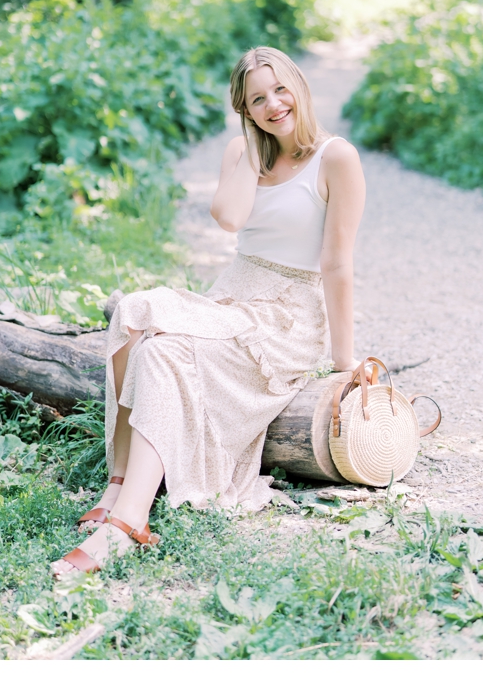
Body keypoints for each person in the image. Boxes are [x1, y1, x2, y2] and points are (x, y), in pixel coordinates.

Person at [53, 46, 367, 580]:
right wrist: (250, 145)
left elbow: (337, 265)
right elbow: (229, 218)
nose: (274, 106)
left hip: (286, 315)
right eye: (257, 100)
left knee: (164, 346)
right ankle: (119, 482)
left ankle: (129, 520)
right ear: (244, 111)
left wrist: (343, 363)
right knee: (137, 320)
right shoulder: (242, 152)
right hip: (232, 295)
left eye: (280, 90)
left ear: (300, 86)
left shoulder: (336, 158)